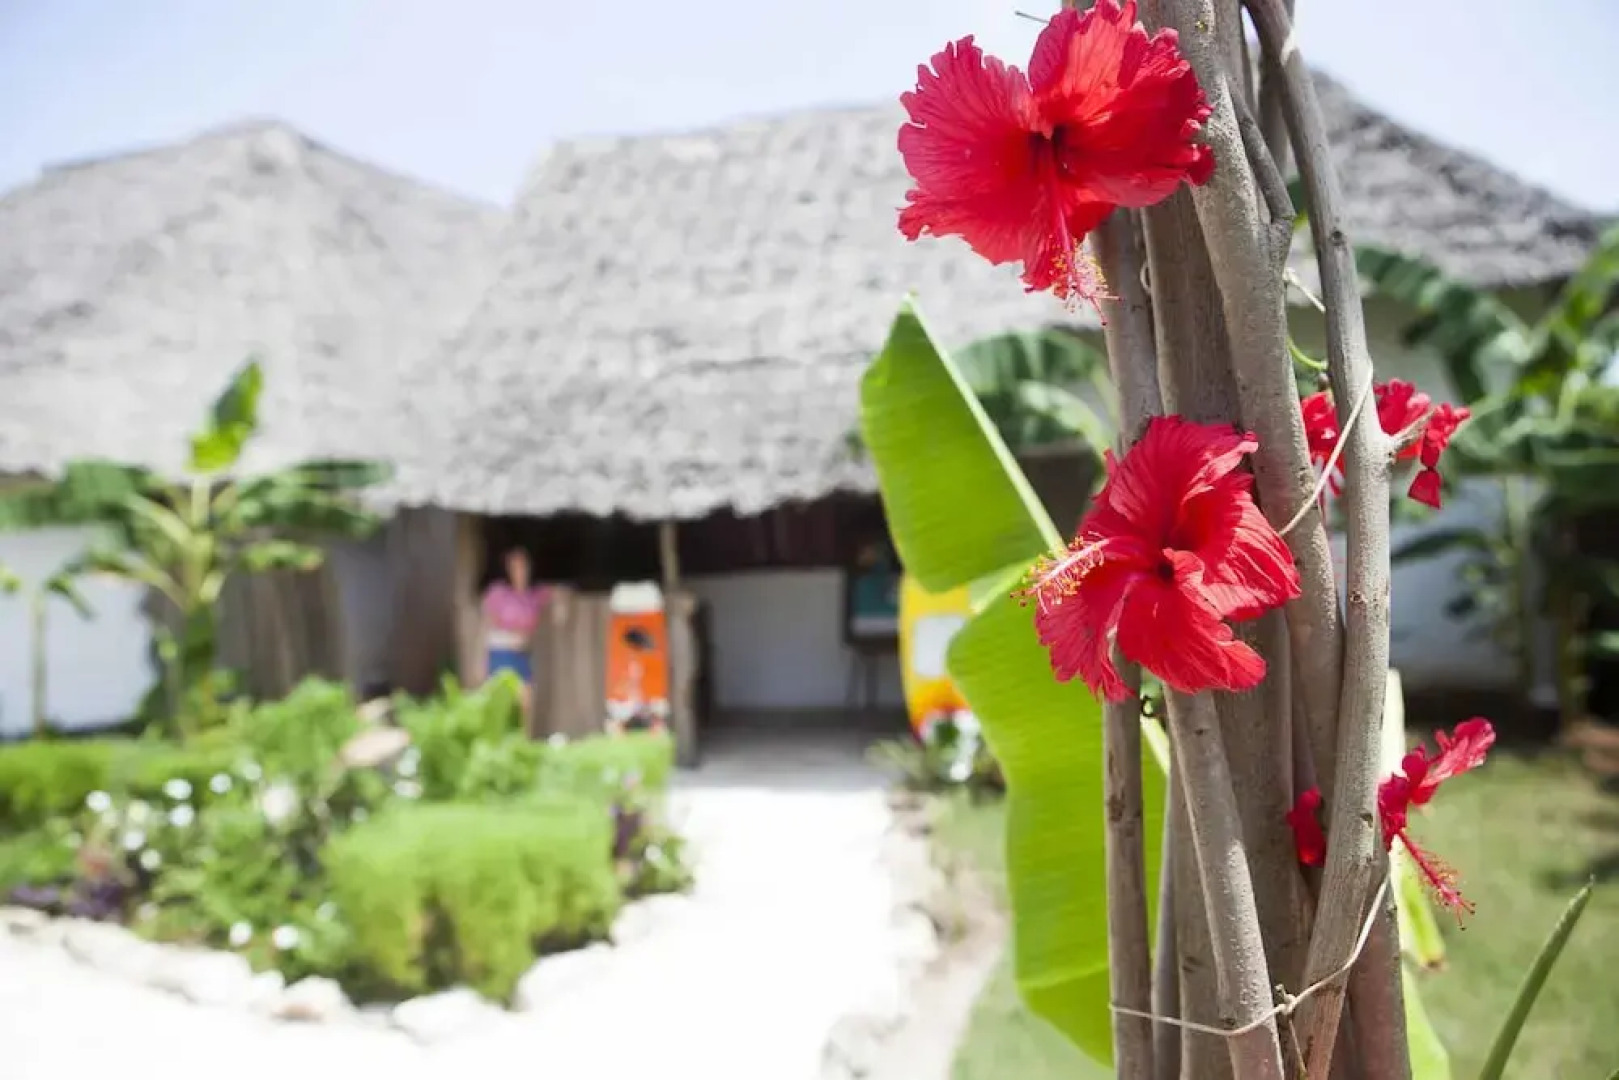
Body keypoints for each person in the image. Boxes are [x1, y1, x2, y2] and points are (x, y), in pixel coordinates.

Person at [477, 548, 557, 714]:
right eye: (514, 567)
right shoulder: (499, 593)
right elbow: (487, 623)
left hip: (522, 653)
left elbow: (558, 594)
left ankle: (522, 737)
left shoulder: (533, 596)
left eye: (523, 566)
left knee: (525, 700)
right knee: (499, 698)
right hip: (501, 651)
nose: (519, 571)